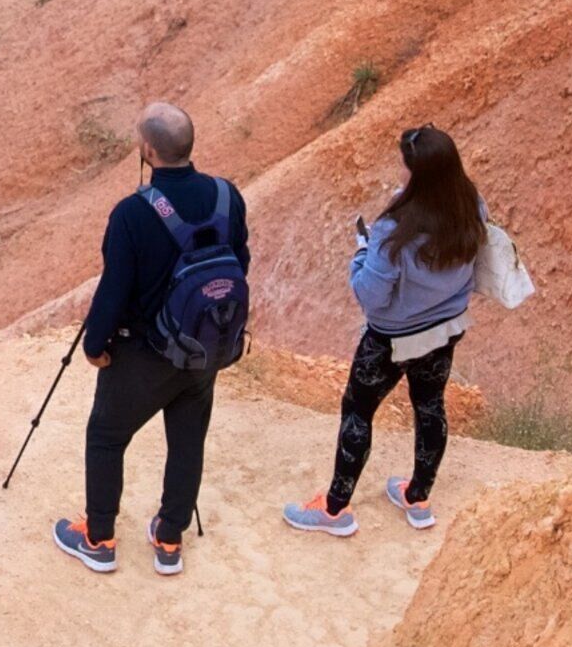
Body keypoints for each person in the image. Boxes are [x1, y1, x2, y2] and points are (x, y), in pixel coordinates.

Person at [56, 102, 249, 576]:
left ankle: (98, 537)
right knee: (188, 441)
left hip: (144, 354)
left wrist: (94, 344)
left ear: (147, 150)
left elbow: (114, 287)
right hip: (205, 349)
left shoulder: (132, 214)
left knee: (105, 436)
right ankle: (168, 539)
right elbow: (240, 265)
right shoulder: (228, 196)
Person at [286, 124, 490, 537]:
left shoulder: (395, 229)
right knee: (430, 406)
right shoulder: (472, 206)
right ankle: (417, 498)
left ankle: (335, 509)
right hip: (445, 329)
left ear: (416, 173)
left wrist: (360, 254)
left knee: (359, 411)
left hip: (390, 339)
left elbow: (370, 296)